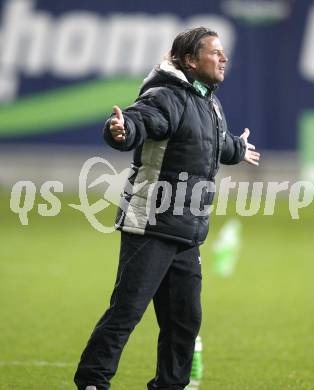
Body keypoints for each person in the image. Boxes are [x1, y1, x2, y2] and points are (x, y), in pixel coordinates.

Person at [74, 27, 260, 390]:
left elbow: (216, 142)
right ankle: (92, 381)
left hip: (186, 232)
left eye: (224, 53)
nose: (224, 58)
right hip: (151, 225)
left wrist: (238, 148)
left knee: (184, 322)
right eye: (215, 53)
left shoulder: (207, 101)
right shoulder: (165, 97)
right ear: (191, 61)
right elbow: (138, 122)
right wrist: (121, 129)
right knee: (127, 311)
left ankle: (169, 385)